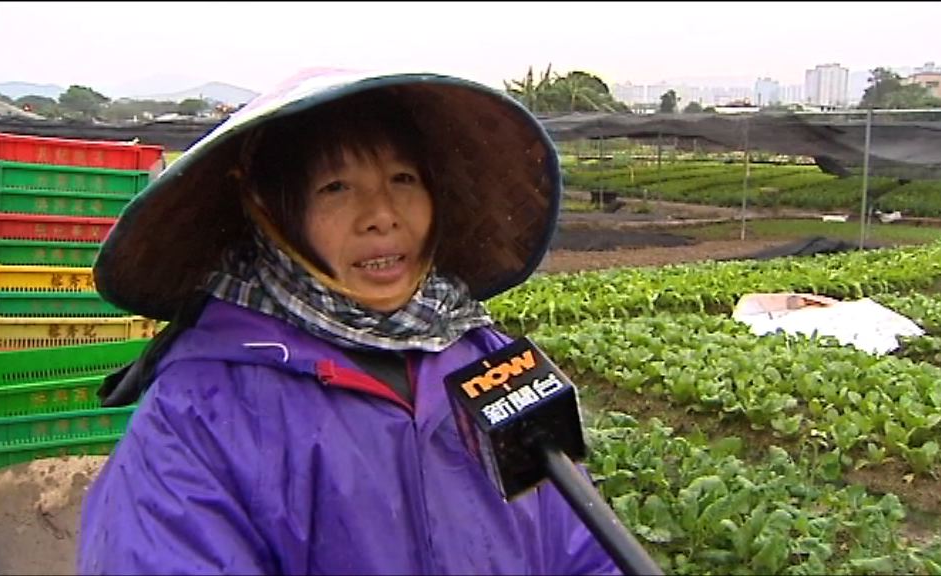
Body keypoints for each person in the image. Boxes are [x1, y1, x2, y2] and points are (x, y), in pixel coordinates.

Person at [76, 68, 622, 575]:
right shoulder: (201, 409)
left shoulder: (492, 364)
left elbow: (582, 548)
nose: (382, 216)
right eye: (336, 187)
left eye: (403, 179)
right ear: (272, 212)